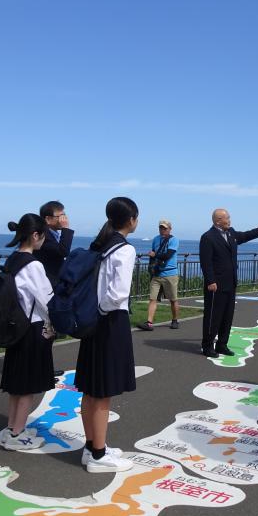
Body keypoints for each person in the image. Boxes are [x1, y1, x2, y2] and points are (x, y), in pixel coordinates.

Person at [76, 197, 140, 473]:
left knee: (90, 388)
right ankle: (99, 455)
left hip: (92, 321)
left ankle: (91, 446)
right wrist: (102, 311)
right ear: (131, 220)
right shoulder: (125, 249)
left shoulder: (101, 245)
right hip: (111, 322)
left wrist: (94, 311)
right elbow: (118, 294)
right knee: (103, 391)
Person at [0, 214, 55, 451]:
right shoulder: (33, 265)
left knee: (16, 383)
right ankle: (17, 432)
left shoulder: (13, 259)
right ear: (35, 235)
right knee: (28, 385)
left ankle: (12, 426)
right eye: (43, 236)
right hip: (32, 328)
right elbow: (46, 300)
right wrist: (56, 322)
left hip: (15, 326)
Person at [199, 209, 258, 358]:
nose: (229, 220)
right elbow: (206, 262)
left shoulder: (231, 233)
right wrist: (211, 281)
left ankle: (222, 345)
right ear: (218, 221)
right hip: (216, 285)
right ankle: (207, 346)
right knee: (213, 316)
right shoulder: (208, 237)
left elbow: (245, 235)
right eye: (227, 218)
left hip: (231, 282)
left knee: (227, 316)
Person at [137, 219, 180, 331]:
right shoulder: (156, 239)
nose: (162, 230)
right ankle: (149, 322)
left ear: (170, 229)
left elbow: (168, 255)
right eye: (161, 227)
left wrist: (155, 255)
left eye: (164, 228)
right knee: (152, 298)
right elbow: (153, 254)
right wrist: (152, 267)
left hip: (170, 273)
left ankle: (175, 320)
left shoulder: (174, 240)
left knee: (173, 299)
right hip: (157, 273)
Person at [34, 200, 74, 286]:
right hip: (47, 283)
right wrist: (66, 229)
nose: (64, 219)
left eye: (64, 215)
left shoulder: (53, 234)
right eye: (60, 216)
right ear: (48, 219)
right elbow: (63, 251)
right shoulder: (44, 236)